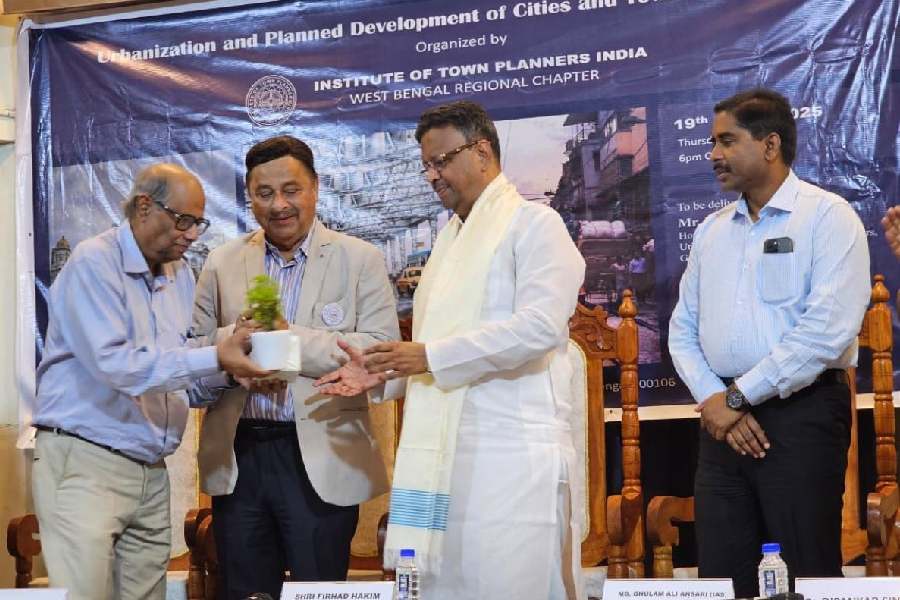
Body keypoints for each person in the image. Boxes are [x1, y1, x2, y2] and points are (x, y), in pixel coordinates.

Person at [316, 100, 587, 600]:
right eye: (426, 165)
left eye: (441, 161)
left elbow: (541, 329)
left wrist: (427, 358)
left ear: (482, 151)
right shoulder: (448, 242)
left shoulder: (535, 225)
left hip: (508, 459)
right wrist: (383, 374)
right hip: (443, 460)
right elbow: (427, 348)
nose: (431, 175)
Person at [31, 163, 269, 600]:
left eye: (199, 223)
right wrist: (215, 353)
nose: (192, 235)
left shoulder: (179, 275)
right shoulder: (93, 262)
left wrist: (233, 370)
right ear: (144, 206)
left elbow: (176, 377)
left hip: (151, 467)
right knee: (84, 595)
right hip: (87, 461)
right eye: (183, 221)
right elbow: (119, 366)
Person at [668, 89, 870, 596]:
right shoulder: (712, 232)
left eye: (726, 140)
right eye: (712, 142)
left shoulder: (827, 216)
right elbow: (681, 329)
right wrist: (716, 401)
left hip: (800, 415)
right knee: (721, 575)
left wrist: (739, 397)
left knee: (806, 572)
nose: (713, 154)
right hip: (721, 425)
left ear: (770, 144)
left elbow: (826, 333)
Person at [190, 135, 399, 600]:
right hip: (241, 455)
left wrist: (289, 340)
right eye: (264, 193)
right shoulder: (222, 262)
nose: (279, 205)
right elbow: (194, 348)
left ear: (315, 189)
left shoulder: (359, 259)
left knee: (319, 590)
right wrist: (231, 348)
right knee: (242, 591)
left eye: (291, 189)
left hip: (322, 457)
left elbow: (381, 351)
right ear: (249, 197)